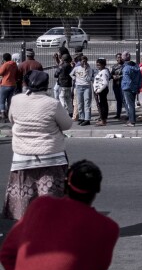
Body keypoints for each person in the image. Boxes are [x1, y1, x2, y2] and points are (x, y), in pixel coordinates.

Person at [1, 160, 119, 270]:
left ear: (65, 184)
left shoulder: (39, 206)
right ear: (97, 190)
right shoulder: (106, 227)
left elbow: (6, 253)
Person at [2, 70, 73, 220]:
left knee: (25, 198)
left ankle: (28, 229)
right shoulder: (52, 104)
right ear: (46, 86)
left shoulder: (16, 100)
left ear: (26, 84)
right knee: (51, 197)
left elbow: (11, 119)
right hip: (51, 157)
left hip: (23, 157)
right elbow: (67, 125)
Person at [71, 54, 95, 126]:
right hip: (78, 87)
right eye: (82, 61)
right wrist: (75, 78)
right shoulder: (76, 68)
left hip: (86, 86)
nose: (83, 63)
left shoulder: (89, 69)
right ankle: (81, 117)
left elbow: (89, 79)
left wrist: (86, 71)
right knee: (80, 103)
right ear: (80, 62)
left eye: (85, 62)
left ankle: (87, 119)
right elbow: (71, 74)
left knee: (87, 103)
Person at [121, 54, 142, 128]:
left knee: (130, 105)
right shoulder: (136, 66)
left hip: (127, 88)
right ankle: (131, 120)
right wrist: (138, 87)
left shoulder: (126, 68)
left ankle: (132, 121)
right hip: (135, 87)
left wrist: (132, 88)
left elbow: (128, 80)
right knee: (131, 104)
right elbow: (140, 78)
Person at [0, 53, 18, 123]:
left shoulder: (6, 64)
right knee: (9, 100)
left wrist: (2, 65)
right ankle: (9, 113)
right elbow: (17, 73)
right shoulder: (14, 64)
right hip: (13, 84)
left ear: (4, 59)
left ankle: (2, 114)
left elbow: (0, 73)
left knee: (2, 100)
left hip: (5, 84)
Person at [92, 58, 111, 127]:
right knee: (102, 104)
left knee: (102, 105)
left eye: (99, 65)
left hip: (101, 91)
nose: (98, 67)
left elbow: (105, 83)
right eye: (97, 65)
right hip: (99, 90)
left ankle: (103, 120)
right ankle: (103, 119)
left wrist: (98, 90)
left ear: (103, 65)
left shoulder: (104, 72)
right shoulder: (101, 71)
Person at [111, 52, 125, 120]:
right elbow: (110, 75)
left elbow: (126, 75)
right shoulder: (114, 66)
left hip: (123, 85)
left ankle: (128, 114)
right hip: (116, 85)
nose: (119, 59)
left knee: (124, 100)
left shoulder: (125, 66)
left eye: (120, 57)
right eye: (118, 57)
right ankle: (118, 114)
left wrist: (119, 76)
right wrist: (113, 76)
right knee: (118, 100)